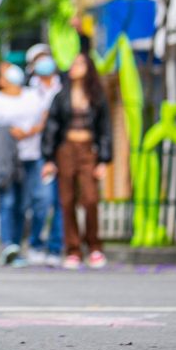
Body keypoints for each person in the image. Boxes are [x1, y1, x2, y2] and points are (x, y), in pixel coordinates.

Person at [41, 47, 112, 270]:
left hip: (88, 149)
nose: (74, 67)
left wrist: (103, 160)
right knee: (66, 200)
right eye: (73, 64)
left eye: (80, 63)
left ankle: (94, 247)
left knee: (91, 199)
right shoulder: (61, 96)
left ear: (88, 68)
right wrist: (49, 158)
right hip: (66, 149)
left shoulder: (96, 96)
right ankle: (72, 249)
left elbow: (105, 129)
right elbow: (51, 127)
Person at [0, 61, 49, 267]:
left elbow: (46, 116)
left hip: (33, 157)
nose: (12, 70)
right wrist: (10, 131)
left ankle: (22, 244)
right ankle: (9, 245)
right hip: (7, 161)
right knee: (8, 201)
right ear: (0, 80)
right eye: (5, 69)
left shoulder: (33, 94)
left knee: (30, 203)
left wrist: (33, 130)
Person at [24, 44, 64, 267]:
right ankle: (36, 243)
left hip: (63, 152)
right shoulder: (29, 93)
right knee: (43, 200)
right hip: (39, 153)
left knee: (61, 202)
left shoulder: (64, 87)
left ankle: (56, 247)